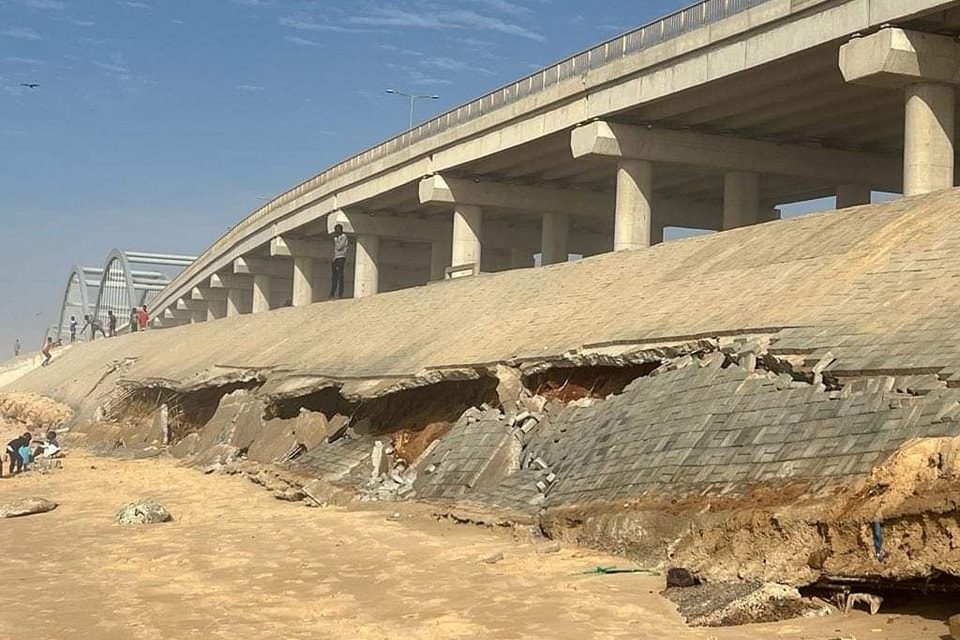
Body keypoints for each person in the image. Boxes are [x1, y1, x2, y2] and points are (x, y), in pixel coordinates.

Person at [330, 224, 348, 299]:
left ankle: (340, 294)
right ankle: (332, 294)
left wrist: (336, 240)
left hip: (341, 257)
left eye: (338, 230)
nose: (336, 231)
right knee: (334, 277)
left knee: (340, 276)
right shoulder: (337, 237)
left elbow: (339, 247)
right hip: (336, 258)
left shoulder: (343, 237)